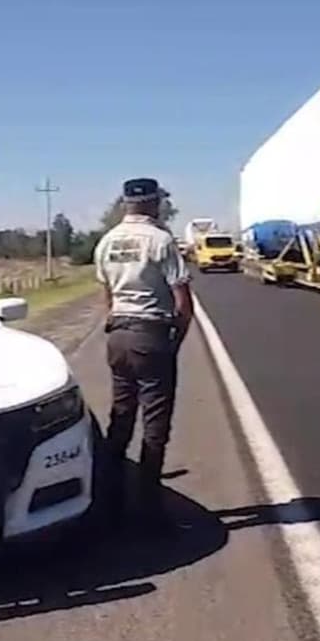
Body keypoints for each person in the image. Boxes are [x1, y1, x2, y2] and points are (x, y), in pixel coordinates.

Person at [93, 177, 192, 529]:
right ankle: (149, 509)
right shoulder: (161, 240)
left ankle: (108, 500)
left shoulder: (106, 242)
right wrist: (173, 342)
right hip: (150, 334)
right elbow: (183, 302)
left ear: (125, 204)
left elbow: (107, 298)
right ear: (155, 203)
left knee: (121, 417)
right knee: (155, 425)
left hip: (117, 334)